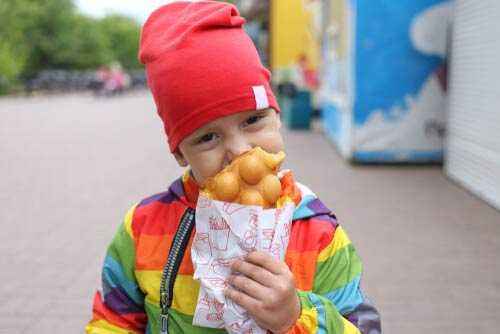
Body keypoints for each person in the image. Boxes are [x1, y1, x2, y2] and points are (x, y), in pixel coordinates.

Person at [85, 1, 381, 333]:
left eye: (253, 120)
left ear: (277, 115)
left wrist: (294, 317)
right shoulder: (143, 229)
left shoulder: (318, 234)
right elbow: (113, 321)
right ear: (180, 153)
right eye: (208, 137)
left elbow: (362, 327)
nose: (240, 152)